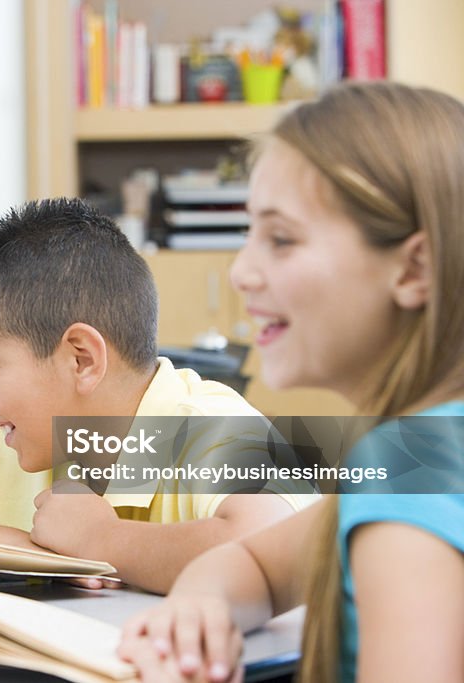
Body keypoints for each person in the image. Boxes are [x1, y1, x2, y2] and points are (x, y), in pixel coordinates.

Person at [116, 82, 464, 683]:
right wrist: (203, 604)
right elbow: (254, 561)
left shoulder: (410, 481)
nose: (242, 271)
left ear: (413, 269)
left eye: (281, 239)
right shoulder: (425, 448)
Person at [0, 198, 312, 594]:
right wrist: (26, 552)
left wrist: (99, 539)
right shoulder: (13, 451)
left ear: (81, 359)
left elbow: (275, 549)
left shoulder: (207, 424)